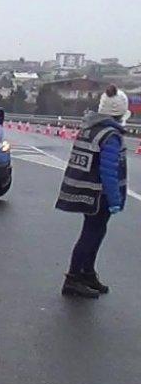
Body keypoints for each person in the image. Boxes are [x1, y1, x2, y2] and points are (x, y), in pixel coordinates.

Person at [56, 85, 130, 298]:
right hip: (99, 195)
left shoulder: (91, 128)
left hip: (83, 190)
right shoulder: (110, 135)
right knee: (91, 234)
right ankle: (73, 278)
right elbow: (109, 170)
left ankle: (87, 273)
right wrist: (115, 199)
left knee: (94, 231)